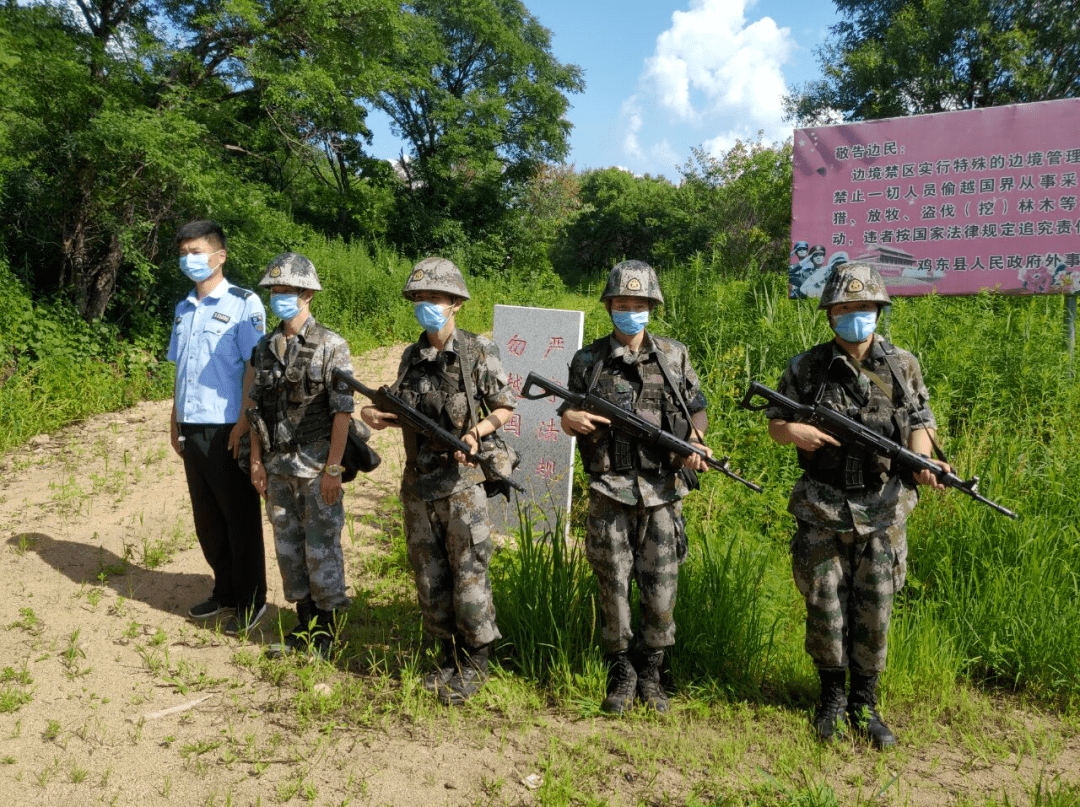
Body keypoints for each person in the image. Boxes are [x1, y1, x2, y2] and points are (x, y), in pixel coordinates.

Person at [765, 262, 949, 749]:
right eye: (846, 309)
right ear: (830, 314)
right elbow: (775, 423)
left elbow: (920, 424)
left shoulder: (902, 364)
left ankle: (865, 704)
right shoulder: (806, 367)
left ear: (879, 310)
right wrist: (794, 431)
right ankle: (830, 700)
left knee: (876, 608)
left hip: (884, 508)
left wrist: (925, 462)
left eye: (864, 308)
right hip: (822, 508)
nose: (856, 317)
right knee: (825, 605)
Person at [360, 257, 516, 705]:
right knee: (429, 576)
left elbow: (504, 406)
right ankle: (444, 658)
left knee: (469, 575)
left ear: (455, 305)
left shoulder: (477, 351)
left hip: (463, 484)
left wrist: (476, 432)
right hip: (419, 484)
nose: (428, 306)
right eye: (421, 299)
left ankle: (476, 662)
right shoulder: (413, 356)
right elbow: (391, 408)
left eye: (436, 299)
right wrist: (373, 415)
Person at [559, 260, 711, 715]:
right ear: (609, 307)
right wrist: (569, 419)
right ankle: (621, 671)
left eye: (639, 304)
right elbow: (569, 411)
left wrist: (694, 441)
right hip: (610, 490)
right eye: (623, 304)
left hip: (663, 490)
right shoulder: (589, 360)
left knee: (662, 586)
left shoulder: (673, 355)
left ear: (652, 307)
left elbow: (697, 407)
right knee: (613, 583)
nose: (631, 312)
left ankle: (652, 672)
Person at [246, 253, 357, 658]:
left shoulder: (331, 345)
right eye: (274, 291)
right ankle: (303, 624)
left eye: (287, 291)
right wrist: (256, 461)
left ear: (307, 294)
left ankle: (325, 633)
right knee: (288, 548)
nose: (279, 297)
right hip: (277, 467)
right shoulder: (266, 347)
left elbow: (342, 413)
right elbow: (256, 407)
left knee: (321, 546)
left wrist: (333, 469)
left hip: (316, 467)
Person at [168, 219, 267, 634]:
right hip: (191, 426)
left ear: (219, 256)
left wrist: (245, 420)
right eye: (184, 253)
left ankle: (251, 600)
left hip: (229, 425)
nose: (189, 259)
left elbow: (254, 366)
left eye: (197, 252)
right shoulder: (183, 307)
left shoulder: (245, 303)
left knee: (238, 516)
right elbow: (181, 368)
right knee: (207, 517)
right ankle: (224, 590)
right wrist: (173, 417)